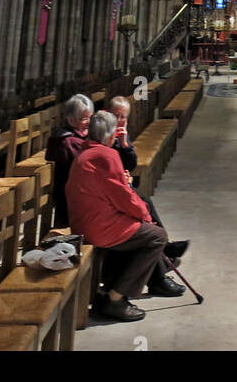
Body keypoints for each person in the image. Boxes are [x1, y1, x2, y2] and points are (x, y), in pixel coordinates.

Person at [66, 109, 168, 323]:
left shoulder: (87, 152)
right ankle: (115, 297)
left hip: (84, 221)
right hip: (98, 226)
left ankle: (108, 291)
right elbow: (124, 197)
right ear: (111, 135)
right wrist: (144, 213)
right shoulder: (105, 155)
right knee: (157, 236)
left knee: (136, 233)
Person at [108, 94, 188, 298]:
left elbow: (131, 164)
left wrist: (124, 144)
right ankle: (159, 271)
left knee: (146, 204)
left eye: (123, 117)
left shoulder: (118, 137)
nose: (120, 121)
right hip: (110, 201)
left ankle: (163, 252)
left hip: (117, 192)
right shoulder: (101, 139)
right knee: (145, 217)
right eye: (116, 116)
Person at [45, 94, 92, 226]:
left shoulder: (65, 137)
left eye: (90, 118)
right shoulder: (69, 142)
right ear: (71, 120)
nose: (89, 122)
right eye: (84, 119)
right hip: (71, 202)